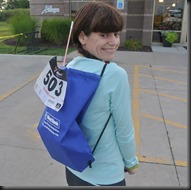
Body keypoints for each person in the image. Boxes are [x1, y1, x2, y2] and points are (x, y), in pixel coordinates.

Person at [65, 1, 139, 186]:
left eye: (116, 34)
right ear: (83, 37)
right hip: (105, 174)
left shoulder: (70, 67)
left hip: (74, 166)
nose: (113, 41)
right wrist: (131, 162)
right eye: (104, 34)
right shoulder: (115, 75)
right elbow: (124, 130)